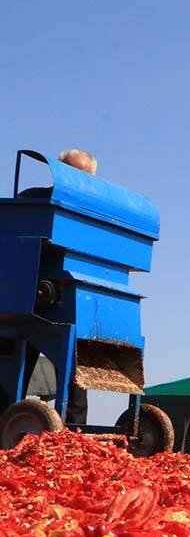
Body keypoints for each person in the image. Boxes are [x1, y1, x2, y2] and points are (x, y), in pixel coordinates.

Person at [17, 149, 99, 423]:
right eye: (71, 173)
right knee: (15, 358)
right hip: (28, 293)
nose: (77, 181)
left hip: (73, 297)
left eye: (84, 177)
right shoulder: (32, 199)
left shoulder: (97, 213)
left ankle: (75, 433)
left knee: (78, 371)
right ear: (59, 171)